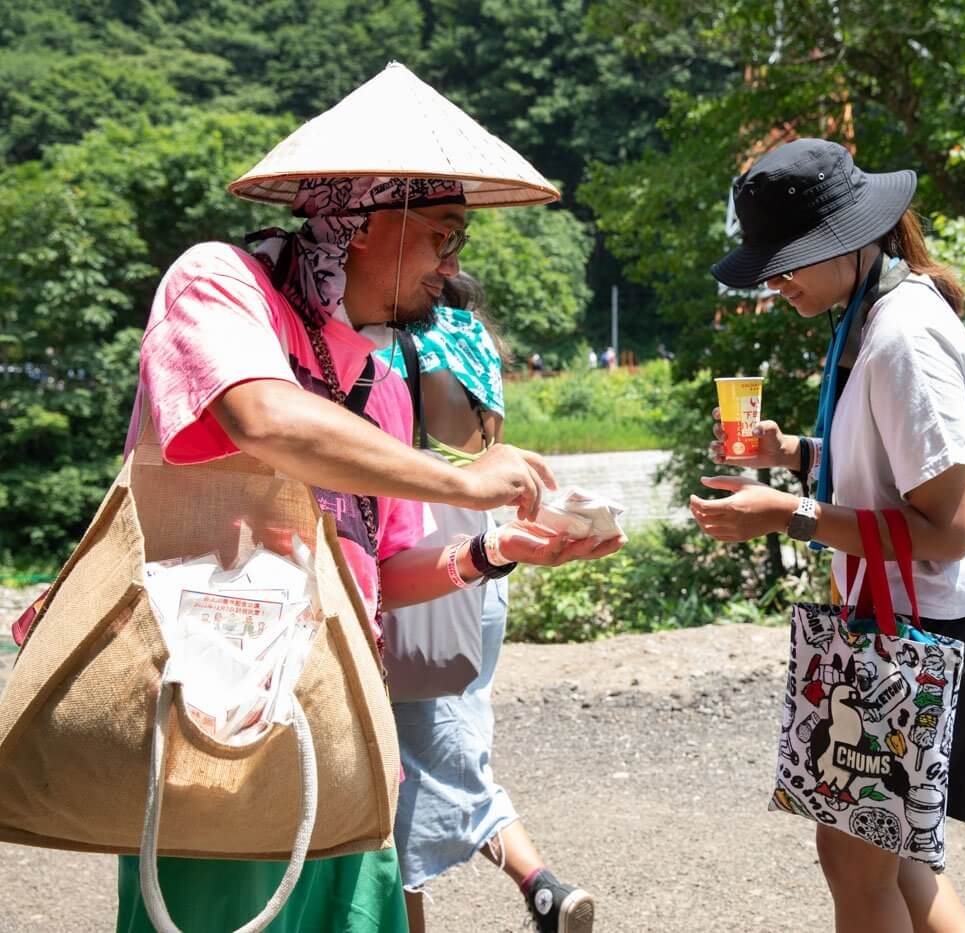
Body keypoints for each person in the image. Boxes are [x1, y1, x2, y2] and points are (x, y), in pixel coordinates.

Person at [114, 64, 621, 933]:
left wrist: (493, 549)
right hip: (213, 729)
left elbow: (387, 567)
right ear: (363, 220)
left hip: (347, 734)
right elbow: (262, 414)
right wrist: (458, 477)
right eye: (443, 235)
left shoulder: (380, 382)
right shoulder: (218, 285)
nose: (452, 265)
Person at [691, 138, 965, 933]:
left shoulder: (902, 338)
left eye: (786, 263)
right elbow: (893, 473)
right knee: (894, 856)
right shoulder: (872, 315)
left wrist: (787, 513)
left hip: (947, 619)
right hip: (916, 611)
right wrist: (793, 456)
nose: (775, 282)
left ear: (850, 243)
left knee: (857, 852)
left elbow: (948, 529)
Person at [377, 273, 600, 933]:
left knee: (396, 773)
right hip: (487, 566)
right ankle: (542, 887)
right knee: (455, 743)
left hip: (422, 571)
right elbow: (484, 458)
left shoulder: (390, 351)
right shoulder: (475, 346)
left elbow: (385, 462)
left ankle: (535, 885)